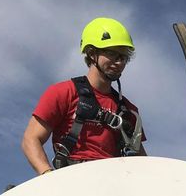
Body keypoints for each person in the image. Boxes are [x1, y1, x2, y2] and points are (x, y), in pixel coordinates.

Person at [21, 17, 146, 175]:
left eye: (123, 57)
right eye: (112, 53)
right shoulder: (63, 92)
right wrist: (48, 176)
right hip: (73, 180)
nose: (119, 62)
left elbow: (141, 160)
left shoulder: (128, 111)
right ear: (92, 53)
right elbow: (31, 139)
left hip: (115, 184)